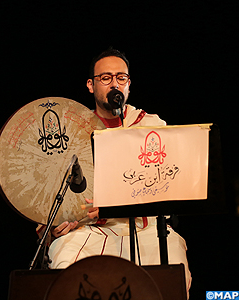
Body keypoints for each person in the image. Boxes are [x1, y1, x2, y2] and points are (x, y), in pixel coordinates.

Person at [46, 48, 192, 295]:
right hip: (91, 229)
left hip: (145, 228)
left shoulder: (151, 125)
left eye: (120, 77)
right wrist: (55, 223)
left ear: (129, 84)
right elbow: (55, 190)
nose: (114, 83)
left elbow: (167, 184)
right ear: (91, 85)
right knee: (64, 264)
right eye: (106, 78)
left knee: (174, 277)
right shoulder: (72, 132)